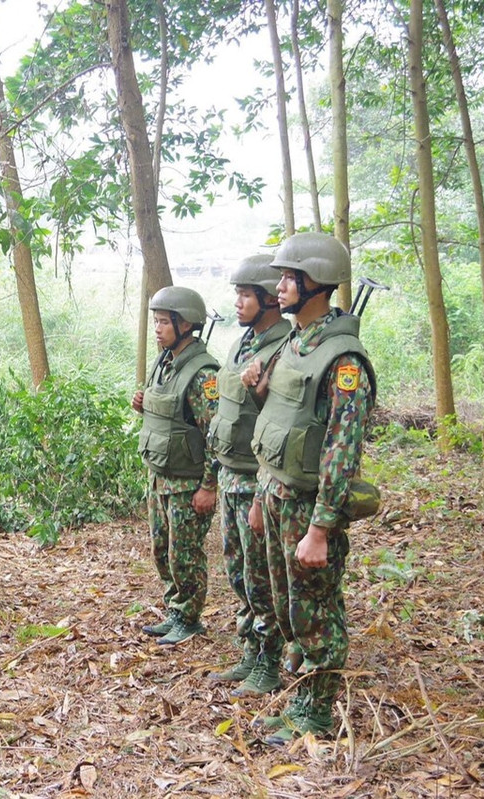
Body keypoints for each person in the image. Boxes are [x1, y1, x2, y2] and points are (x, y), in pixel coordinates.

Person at [241, 233, 376, 745]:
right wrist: (259, 495)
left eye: (287, 279)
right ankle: (300, 698)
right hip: (275, 497)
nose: (278, 287)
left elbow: (342, 452)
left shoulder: (344, 362)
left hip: (307, 508)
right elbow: (276, 424)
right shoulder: (293, 344)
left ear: (314, 282)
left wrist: (320, 528)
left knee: (314, 610)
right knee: (285, 606)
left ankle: (317, 711)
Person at [206, 254, 291, 696]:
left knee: (262, 577)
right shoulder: (245, 342)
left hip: (257, 478)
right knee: (239, 573)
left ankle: (270, 662)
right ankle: (250, 652)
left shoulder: (282, 346)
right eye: (237, 293)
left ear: (266, 298)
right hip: (230, 474)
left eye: (245, 294)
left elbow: (281, 420)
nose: (238, 302)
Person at [132, 286, 220, 646]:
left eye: (164, 322)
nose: (157, 328)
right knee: (162, 550)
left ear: (186, 325)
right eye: (155, 321)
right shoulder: (165, 362)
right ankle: (176, 608)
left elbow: (216, 434)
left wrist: (209, 486)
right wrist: (143, 404)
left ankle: (190, 616)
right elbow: (170, 411)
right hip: (161, 475)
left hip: (187, 482)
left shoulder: (203, 374)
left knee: (184, 554)